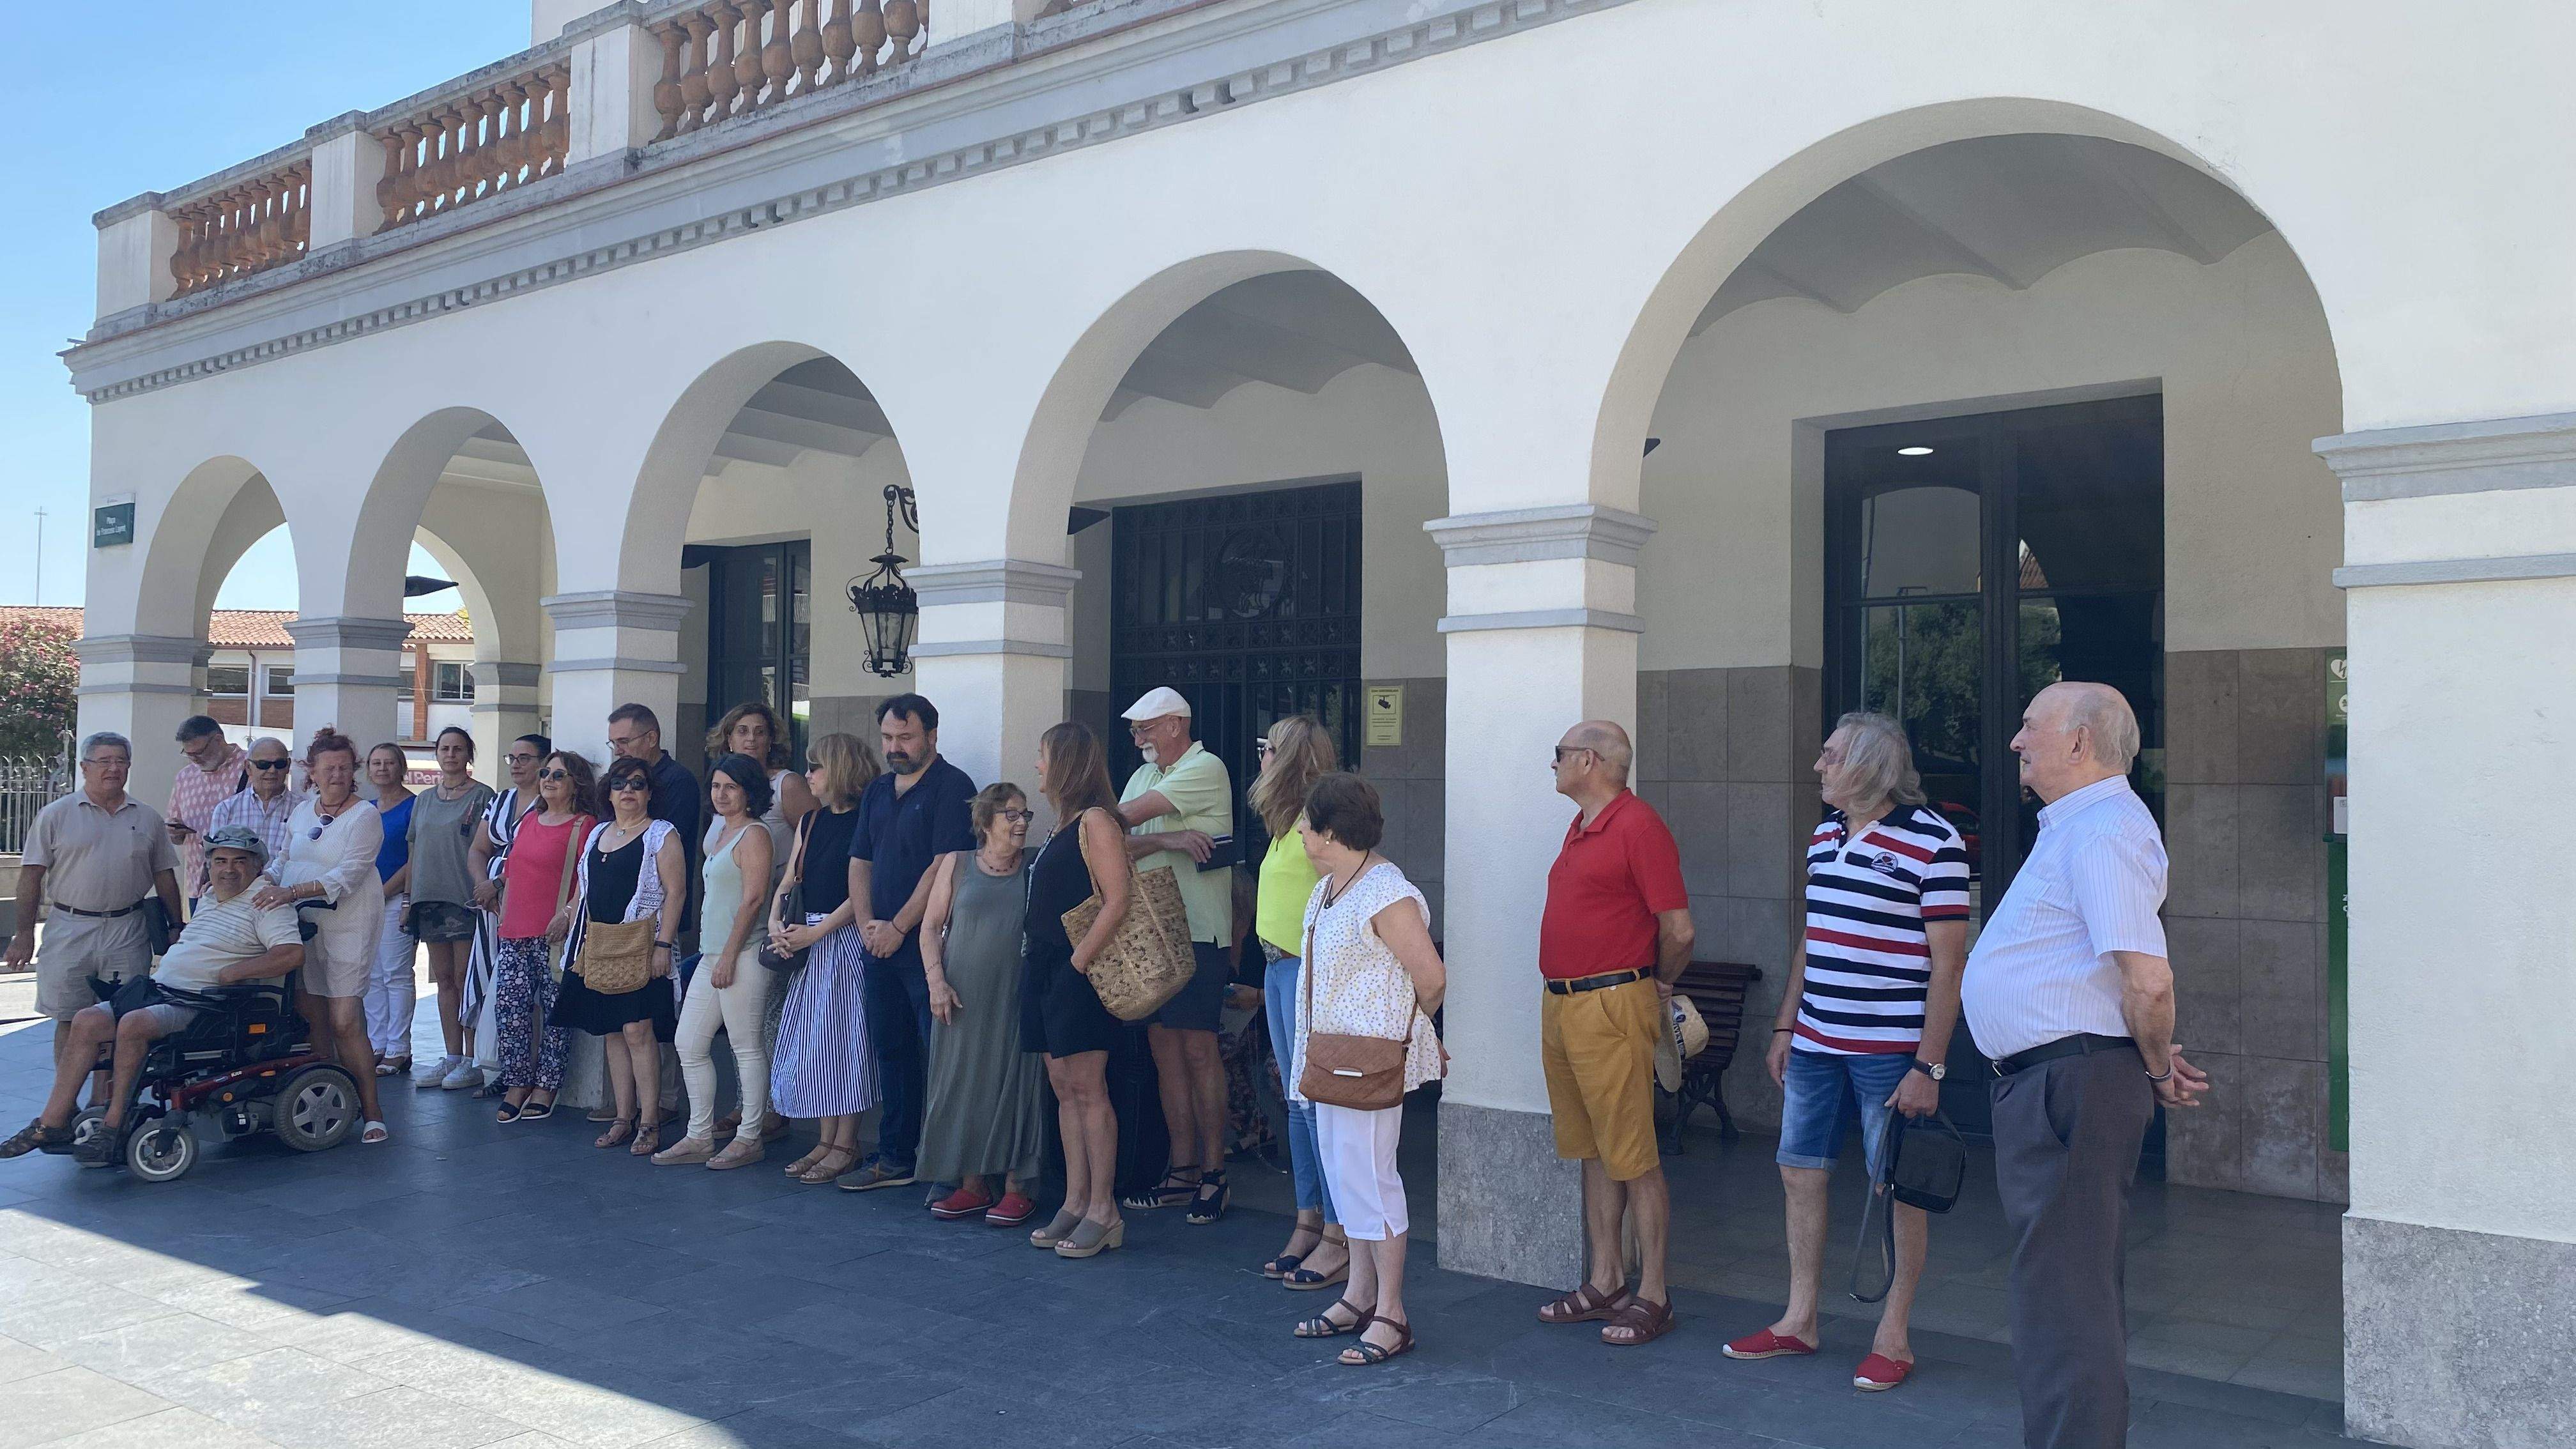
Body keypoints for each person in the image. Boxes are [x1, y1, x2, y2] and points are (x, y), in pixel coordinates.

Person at [1962, 682, 2208, 1449]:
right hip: (2062, 1079)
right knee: (2061, 1295)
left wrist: (2155, 1064)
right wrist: (2144, 1054)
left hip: (2067, 1084)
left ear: (2079, 742)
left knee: (2065, 1302)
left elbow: (2148, 979)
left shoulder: (2103, 829)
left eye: (2029, 726)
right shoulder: (2080, 826)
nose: (2015, 741)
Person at [1726, 712, 1971, 1392]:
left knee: (1896, 1186)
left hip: (1889, 1053)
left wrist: (1929, 1066)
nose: (1818, 766)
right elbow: (1816, 935)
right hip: (1815, 1042)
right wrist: (1786, 1026)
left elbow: (1950, 966)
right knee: (1799, 1172)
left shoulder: (1936, 843)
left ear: (1868, 764)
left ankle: (1893, 1337)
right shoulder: (1824, 834)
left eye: (1830, 756)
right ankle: (1799, 1320)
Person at [1531, 720, 1693, 1347]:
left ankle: (1654, 1293)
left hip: (1611, 1001)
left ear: (1589, 761)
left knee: (1633, 1154)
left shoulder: (1638, 826)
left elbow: (1678, 928)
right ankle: (1606, 1281)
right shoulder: (1581, 826)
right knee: (1594, 1149)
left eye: (1560, 754)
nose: (1553, 764)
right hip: (1563, 1003)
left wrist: (1659, 983)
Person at [2, 827, 302, 1162]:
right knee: (86, 1020)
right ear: (210, 865)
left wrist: (236, 972)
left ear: (257, 866)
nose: (228, 869)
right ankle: (53, 1122)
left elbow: (291, 954)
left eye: (239, 861)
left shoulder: (268, 903)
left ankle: (114, 1125)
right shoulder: (211, 896)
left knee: (134, 1023)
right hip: (160, 991)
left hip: (202, 1004)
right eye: (220, 861)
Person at [1283, 774, 1446, 1367]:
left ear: (1330, 832)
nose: (1300, 833)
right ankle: (1359, 1295)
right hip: (1331, 1061)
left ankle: (1392, 1313)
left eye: (1307, 824)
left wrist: (1405, 1039)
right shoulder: (1329, 889)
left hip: (1368, 1066)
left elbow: (1431, 979)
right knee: (1346, 1176)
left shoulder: (1386, 892)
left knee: (1373, 1181)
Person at [836, 694, 978, 1194]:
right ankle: (897, 1157)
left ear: (932, 736)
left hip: (930, 948)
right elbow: (860, 861)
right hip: (878, 946)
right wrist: (868, 926)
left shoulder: (953, 787)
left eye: (906, 738)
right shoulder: (877, 789)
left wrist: (898, 926)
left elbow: (944, 866)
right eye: (888, 738)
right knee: (891, 1051)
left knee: (940, 1055)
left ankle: (949, 1167)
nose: (895, 747)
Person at [1112, 687, 1236, 1223]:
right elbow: (1111, 837)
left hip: (1198, 931)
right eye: (1135, 729)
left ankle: (1213, 1174)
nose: (1137, 737)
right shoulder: (1144, 773)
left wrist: (1148, 836)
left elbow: (1123, 820)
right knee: (1166, 1052)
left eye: (1145, 728)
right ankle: (1182, 1173)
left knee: (1199, 1052)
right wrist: (1171, 839)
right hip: (1151, 933)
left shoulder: (1206, 767)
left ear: (1175, 725)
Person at [4, 733, 184, 1097]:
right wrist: (22, 935)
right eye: (104, 761)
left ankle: (103, 1103)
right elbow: (31, 877)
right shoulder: (55, 815)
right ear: (85, 767)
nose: (113, 768)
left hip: (127, 929)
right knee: (69, 1017)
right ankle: (65, 1100)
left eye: (120, 761)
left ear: (129, 767)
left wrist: (177, 926)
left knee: (122, 1016)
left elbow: (164, 876)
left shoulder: (147, 818)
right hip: (69, 928)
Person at [1023, 722, 1134, 1260]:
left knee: (1089, 1089)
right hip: (1044, 966)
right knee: (1064, 1087)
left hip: (1076, 969)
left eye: (1043, 755)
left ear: (1066, 763)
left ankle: (1104, 1210)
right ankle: (1075, 1200)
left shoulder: (1095, 821)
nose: (1038, 765)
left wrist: (1078, 961)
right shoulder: (1060, 825)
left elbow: (1118, 898)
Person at [1246, 715, 1349, 1287]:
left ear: (1288, 755)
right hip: (1278, 968)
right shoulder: (1286, 822)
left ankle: (1336, 1231)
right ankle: (1309, 1218)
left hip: (1307, 972)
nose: (1260, 755)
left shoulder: (1319, 820)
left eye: (1267, 747)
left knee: (1314, 1104)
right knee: (1296, 1101)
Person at [914, 782, 1045, 1223]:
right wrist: (936, 982)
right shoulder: (957, 864)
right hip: (960, 996)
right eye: (1012, 815)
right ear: (986, 821)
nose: (1022, 823)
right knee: (962, 1083)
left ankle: (1017, 1186)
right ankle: (972, 1184)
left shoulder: (1035, 865)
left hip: (1015, 993)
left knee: (1016, 1084)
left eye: (1025, 814)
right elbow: (930, 927)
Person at [256, 728, 391, 1144]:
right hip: (303, 926)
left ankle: (373, 1112)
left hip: (350, 925)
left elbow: (348, 875)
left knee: (344, 1021)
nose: (337, 775)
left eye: (344, 768)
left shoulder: (365, 816)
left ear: (354, 771)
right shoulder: (301, 812)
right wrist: (261, 882)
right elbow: (283, 859)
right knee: (314, 1017)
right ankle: (333, 1102)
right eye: (328, 768)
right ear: (311, 771)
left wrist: (292, 891)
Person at [550, 754, 686, 1155]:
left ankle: (650, 1122)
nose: (628, 790)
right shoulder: (597, 834)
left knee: (638, 1032)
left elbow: (676, 893)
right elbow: (583, 890)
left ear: (650, 793)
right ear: (608, 793)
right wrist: (566, 915)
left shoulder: (661, 834)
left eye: (638, 784)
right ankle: (623, 1119)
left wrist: (664, 945)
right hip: (599, 946)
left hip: (641, 945)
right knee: (612, 1031)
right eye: (620, 783)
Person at [767, 732, 880, 1183]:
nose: (808, 774)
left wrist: (816, 933)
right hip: (806, 938)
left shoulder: (867, 820)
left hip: (842, 939)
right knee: (816, 1044)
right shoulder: (811, 821)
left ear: (840, 769)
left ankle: (846, 1144)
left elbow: (863, 892)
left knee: (846, 1043)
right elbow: (789, 880)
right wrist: (776, 923)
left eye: (816, 767)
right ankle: (825, 1140)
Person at [657, 755, 777, 1169]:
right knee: (688, 1043)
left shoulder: (754, 834)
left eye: (731, 787)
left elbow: (754, 900)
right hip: (713, 954)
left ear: (749, 791)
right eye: (715, 786)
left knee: (746, 1047)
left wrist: (728, 956)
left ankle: (749, 1138)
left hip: (741, 954)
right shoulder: (721, 831)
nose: (721, 794)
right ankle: (699, 1136)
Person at [705, 703, 808, 1144]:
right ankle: (748, 1104)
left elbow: (815, 837)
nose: (751, 739)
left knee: (767, 1020)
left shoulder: (786, 784)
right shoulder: (724, 789)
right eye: (742, 731)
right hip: (724, 923)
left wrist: (786, 887)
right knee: (740, 1022)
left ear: (772, 739)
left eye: (760, 732)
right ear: (728, 738)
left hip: (772, 918)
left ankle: (772, 1109)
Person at [491, 749, 594, 1123]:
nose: (548, 780)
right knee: (510, 1010)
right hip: (514, 930)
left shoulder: (585, 825)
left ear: (576, 784)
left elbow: (587, 879)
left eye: (558, 775)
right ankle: (517, 1082)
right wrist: (498, 893)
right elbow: (513, 869)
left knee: (556, 1013)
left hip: (555, 935)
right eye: (545, 773)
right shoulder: (529, 821)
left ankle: (547, 1086)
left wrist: (567, 915)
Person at [406, 728, 497, 1091]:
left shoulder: (483, 796)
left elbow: (490, 848)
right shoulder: (424, 799)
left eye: (458, 749)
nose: (451, 754)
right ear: (437, 754)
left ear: (468, 754)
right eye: (444, 748)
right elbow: (414, 850)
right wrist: (408, 899)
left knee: (465, 980)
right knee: (443, 980)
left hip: (465, 900)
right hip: (429, 899)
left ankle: (473, 1059)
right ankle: (452, 1056)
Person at [464, 734, 551, 1088]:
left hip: (528, 897)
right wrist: (483, 886)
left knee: (528, 990)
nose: (516, 764)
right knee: (489, 976)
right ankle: (493, 1068)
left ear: (544, 763)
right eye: (511, 758)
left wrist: (499, 884)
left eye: (525, 758)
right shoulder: (500, 800)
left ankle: (527, 1070)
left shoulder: (549, 803)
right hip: (491, 902)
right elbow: (478, 849)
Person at [606, 703, 701, 931]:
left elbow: (662, 845)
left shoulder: (679, 781)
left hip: (657, 916)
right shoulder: (614, 779)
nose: (617, 751)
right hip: (610, 910)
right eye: (614, 743)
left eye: (624, 742)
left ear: (651, 739)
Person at [362, 743, 418, 1075]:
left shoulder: (415, 806)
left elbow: (416, 858)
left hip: (396, 900)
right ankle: (377, 1045)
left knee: (396, 975)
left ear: (402, 768)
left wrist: (384, 892)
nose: (382, 769)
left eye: (389, 763)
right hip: (365, 904)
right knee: (371, 976)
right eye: (376, 763)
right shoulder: (366, 810)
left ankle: (399, 1048)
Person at [165, 715, 245, 907]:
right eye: (188, 754)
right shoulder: (185, 777)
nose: (195, 759)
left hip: (242, 885)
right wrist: (175, 832)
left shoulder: (252, 766)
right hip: (198, 885)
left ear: (218, 740)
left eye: (199, 752)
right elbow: (174, 828)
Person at [208, 737, 305, 870]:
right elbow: (217, 860)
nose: (272, 770)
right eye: (263, 765)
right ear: (248, 767)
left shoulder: (303, 810)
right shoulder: (226, 810)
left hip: (286, 883)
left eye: (279, 764)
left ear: (288, 766)